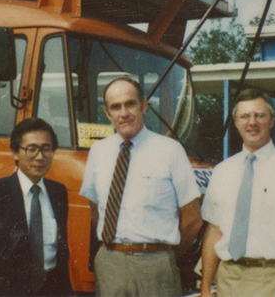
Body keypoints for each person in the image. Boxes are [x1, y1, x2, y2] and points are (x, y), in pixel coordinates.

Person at [80, 77, 202, 296]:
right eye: (116, 107)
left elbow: (193, 217)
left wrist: (164, 255)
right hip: (110, 263)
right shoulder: (98, 151)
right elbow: (95, 210)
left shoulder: (170, 150)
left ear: (144, 105)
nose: (124, 113)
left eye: (130, 104)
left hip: (156, 265)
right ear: (108, 113)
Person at [200, 88, 275, 297]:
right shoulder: (222, 171)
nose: (252, 122)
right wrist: (205, 288)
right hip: (228, 279)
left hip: (273, 279)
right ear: (236, 123)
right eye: (245, 116)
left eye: (259, 115)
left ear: (272, 120)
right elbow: (214, 232)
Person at [0, 117, 71, 297]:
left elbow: (59, 252)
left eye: (46, 149)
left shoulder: (58, 192)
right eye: (31, 149)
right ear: (15, 152)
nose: (39, 157)